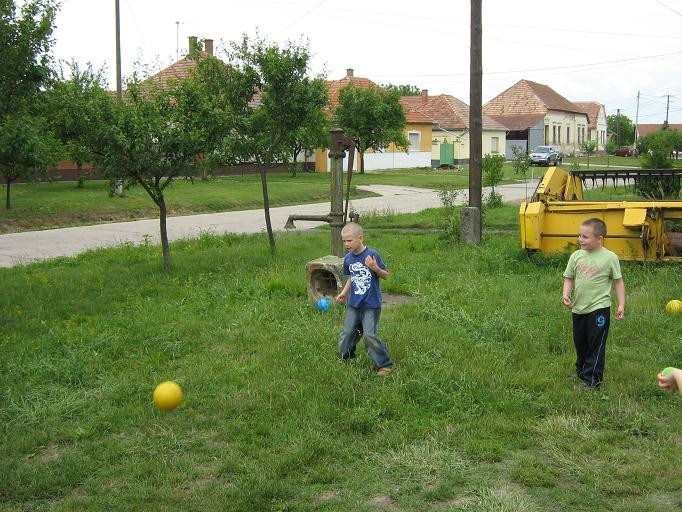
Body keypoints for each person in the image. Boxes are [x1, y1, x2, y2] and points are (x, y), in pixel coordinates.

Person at [562, 218, 625, 389]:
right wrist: (566, 294)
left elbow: (618, 282)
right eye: (579, 235)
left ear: (600, 238)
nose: (580, 239)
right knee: (580, 342)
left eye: (585, 236)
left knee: (596, 344)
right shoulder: (576, 256)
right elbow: (569, 277)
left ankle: (593, 381)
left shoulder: (610, 257)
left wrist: (621, 304)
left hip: (599, 309)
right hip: (579, 308)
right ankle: (581, 371)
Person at [335, 222, 393, 375]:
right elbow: (351, 278)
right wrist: (344, 293)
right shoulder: (348, 259)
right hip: (354, 304)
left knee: (369, 335)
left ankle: (384, 364)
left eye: (350, 240)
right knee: (347, 332)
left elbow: (386, 275)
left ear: (360, 238)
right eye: (344, 241)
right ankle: (346, 357)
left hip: (371, 305)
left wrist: (375, 268)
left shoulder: (372, 254)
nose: (346, 244)